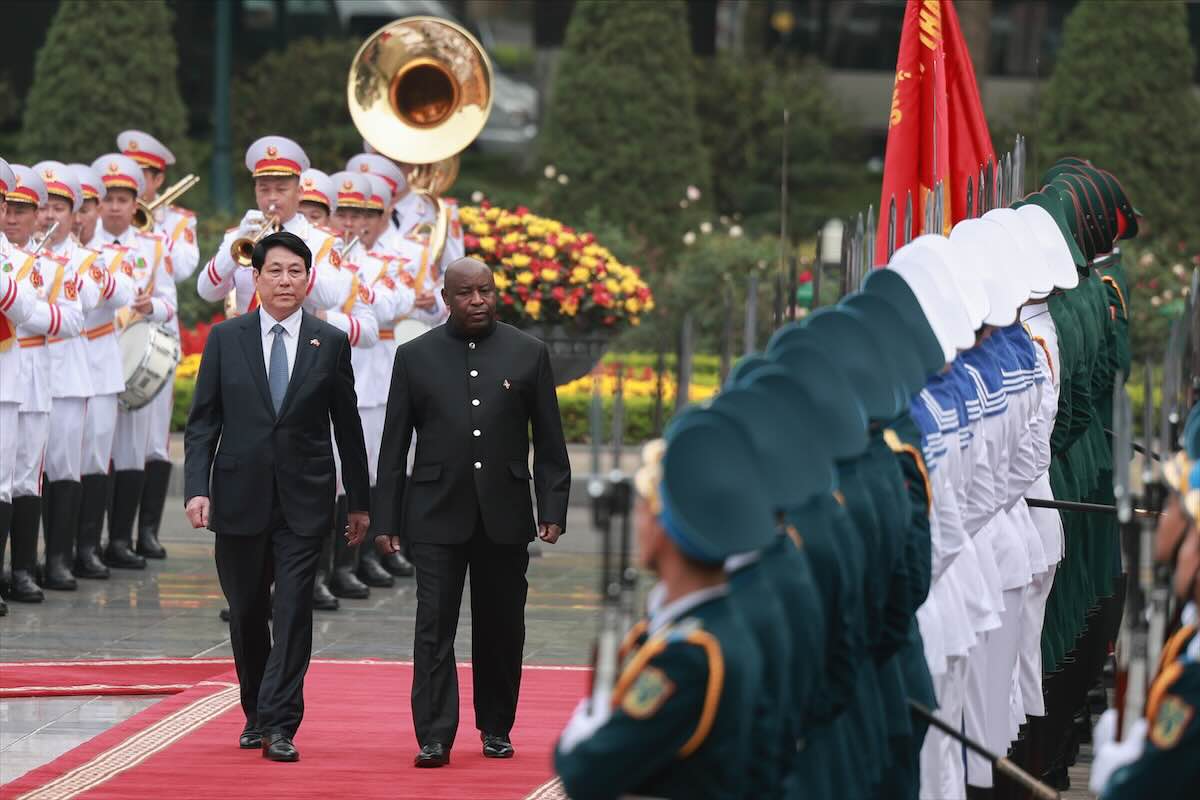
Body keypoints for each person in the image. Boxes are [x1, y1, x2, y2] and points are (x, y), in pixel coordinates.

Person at [373, 256, 570, 767]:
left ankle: (496, 727)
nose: (477, 300)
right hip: (435, 512)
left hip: (504, 514)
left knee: (502, 626)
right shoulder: (415, 356)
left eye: (485, 290)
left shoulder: (528, 353)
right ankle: (434, 735)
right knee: (433, 625)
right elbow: (394, 445)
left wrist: (552, 506)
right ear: (446, 298)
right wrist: (386, 519)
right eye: (465, 293)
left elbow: (550, 440)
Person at [183, 231, 370, 763]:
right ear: (256, 277)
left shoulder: (328, 341)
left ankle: (281, 722)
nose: (285, 281)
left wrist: (358, 501)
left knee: (292, 611)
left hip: (305, 501)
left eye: (295, 272)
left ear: (307, 280)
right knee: (246, 610)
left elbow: (348, 426)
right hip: (238, 497)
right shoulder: (226, 339)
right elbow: (203, 423)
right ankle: (255, 711)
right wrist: (198, 488)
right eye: (275, 271)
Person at [554, 412, 769, 799]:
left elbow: (586, 770)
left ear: (663, 529)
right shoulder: (722, 623)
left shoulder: (688, 655)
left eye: (643, 509)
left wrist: (592, 715)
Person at [87, 153, 176, 569]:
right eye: (108, 199)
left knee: (133, 447)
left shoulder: (153, 247)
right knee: (94, 448)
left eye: (124, 199)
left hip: (136, 353)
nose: (115, 207)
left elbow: (170, 305)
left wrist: (150, 306)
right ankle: (88, 541)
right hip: (95, 356)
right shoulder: (86, 245)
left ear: (136, 201)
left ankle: (122, 539)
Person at [1, 165, 84, 604]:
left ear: (37, 215)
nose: (12, 218)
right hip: (6, 368)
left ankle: (24, 569)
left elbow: (73, 319)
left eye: (22, 210)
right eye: (8, 209)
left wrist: (30, 314)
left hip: (35, 373)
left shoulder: (52, 265)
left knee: (27, 476)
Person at [117, 130, 199, 563]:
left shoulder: (179, 222)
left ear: (156, 178)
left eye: (141, 175)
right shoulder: (109, 216)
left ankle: (146, 532)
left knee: (151, 440)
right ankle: (114, 534)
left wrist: (157, 224)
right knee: (113, 443)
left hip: (155, 341)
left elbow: (184, 269)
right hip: (115, 339)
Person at [29, 161, 101, 590]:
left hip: (69, 375)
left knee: (63, 468)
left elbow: (88, 300)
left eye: (60, 207)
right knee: (25, 473)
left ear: (75, 215)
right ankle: (23, 558)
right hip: (27, 374)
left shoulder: (84, 259)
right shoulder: (18, 255)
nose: (51, 215)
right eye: (45, 206)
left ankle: (56, 558)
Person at [0, 158, 49, 615]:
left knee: (7, 481)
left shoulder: (16, 260)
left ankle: (15, 572)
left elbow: (28, 308)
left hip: (7, 380)